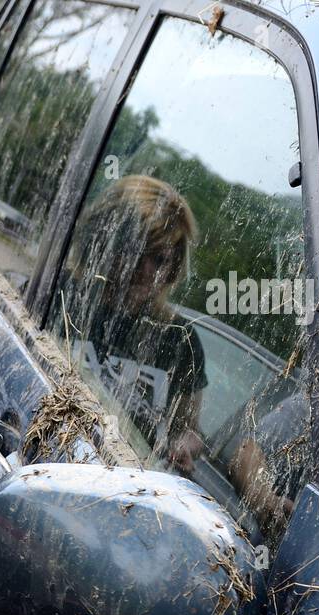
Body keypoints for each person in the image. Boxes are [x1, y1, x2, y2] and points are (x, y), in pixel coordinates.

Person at [54, 174, 204, 474]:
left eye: (159, 259)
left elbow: (189, 430)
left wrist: (184, 445)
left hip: (132, 485)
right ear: (105, 241)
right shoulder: (62, 295)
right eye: (135, 249)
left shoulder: (180, 339)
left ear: (173, 267)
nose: (144, 269)